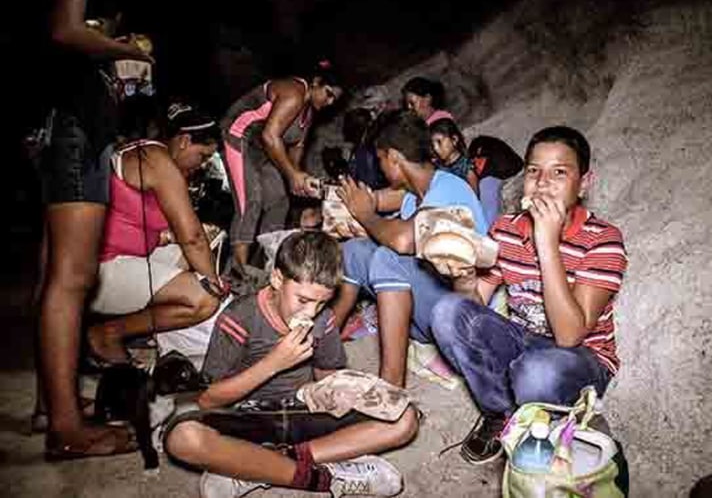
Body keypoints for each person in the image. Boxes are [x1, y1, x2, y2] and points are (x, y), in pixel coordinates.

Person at [164, 231, 417, 498]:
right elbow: (209, 399)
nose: (310, 312)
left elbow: (326, 377)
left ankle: (260, 466)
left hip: (299, 411)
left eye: (321, 303)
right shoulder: (239, 319)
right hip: (249, 416)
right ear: (276, 278)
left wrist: (346, 389)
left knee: (404, 419)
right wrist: (274, 363)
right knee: (183, 438)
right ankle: (317, 476)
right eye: (303, 300)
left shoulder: (324, 320)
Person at [429, 126, 629, 464]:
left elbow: (569, 335)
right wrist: (463, 277)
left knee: (536, 373)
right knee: (447, 310)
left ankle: (554, 414)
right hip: (524, 341)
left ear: (584, 183)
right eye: (534, 171)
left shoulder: (603, 239)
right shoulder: (505, 229)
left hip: (580, 357)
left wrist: (546, 241)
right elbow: (473, 305)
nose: (543, 182)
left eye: (559, 172)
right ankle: (501, 412)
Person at [36, 0, 154, 460]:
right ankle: (65, 429)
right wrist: (130, 51)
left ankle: (54, 405)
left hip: (71, 121)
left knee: (54, 274)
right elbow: (65, 29)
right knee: (72, 277)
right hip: (75, 126)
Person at [333, 110, 488, 387]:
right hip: (425, 307)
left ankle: (391, 384)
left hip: (453, 312)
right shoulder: (414, 191)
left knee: (387, 257)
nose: (380, 168)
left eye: (380, 159)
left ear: (393, 157)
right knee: (354, 250)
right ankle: (328, 335)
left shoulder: (449, 188)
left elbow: (404, 240)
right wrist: (347, 201)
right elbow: (374, 200)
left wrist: (367, 217)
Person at [85, 105, 224, 365]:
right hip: (103, 270)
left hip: (110, 257)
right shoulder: (158, 162)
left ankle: (147, 330)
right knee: (205, 300)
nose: (202, 164)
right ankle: (109, 333)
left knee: (208, 242)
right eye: (202, 155)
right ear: (183, 141)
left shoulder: (141, 150)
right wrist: (213, 282)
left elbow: (132, 222)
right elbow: (191, 237)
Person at [220, 62, 343, 273]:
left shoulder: (309, 113)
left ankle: (268, 262)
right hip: (239, 138)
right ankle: (238, 270)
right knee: (251, 200)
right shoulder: (295, 92)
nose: (329, 102)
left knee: (279, 201)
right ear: (315, 83)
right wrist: (292, 174)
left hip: (263, 150)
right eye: (328, 93)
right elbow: (270, 136)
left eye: (334, 99)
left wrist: (299, 178)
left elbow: (297, 147)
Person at [429, 118, 478, 194]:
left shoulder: (466, 168)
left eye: (439, 142)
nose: (435, 148)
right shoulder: (436, 168)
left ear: (454, 139)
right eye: (432, 145)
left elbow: (474, 198)